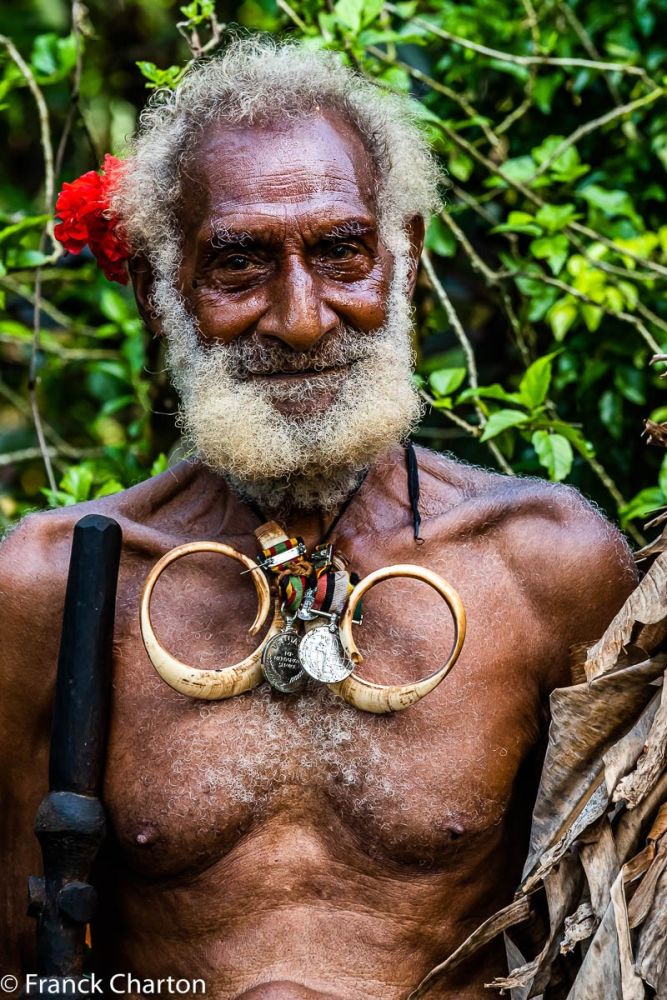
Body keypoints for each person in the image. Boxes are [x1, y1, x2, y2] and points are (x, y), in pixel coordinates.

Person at [0, 37, 638, 1000]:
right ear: (156, 292)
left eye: (342, 252)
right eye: (239, 264)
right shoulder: (50, 586)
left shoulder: (546, 571)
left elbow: (610, 943)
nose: (301, 319)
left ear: (407, 260)